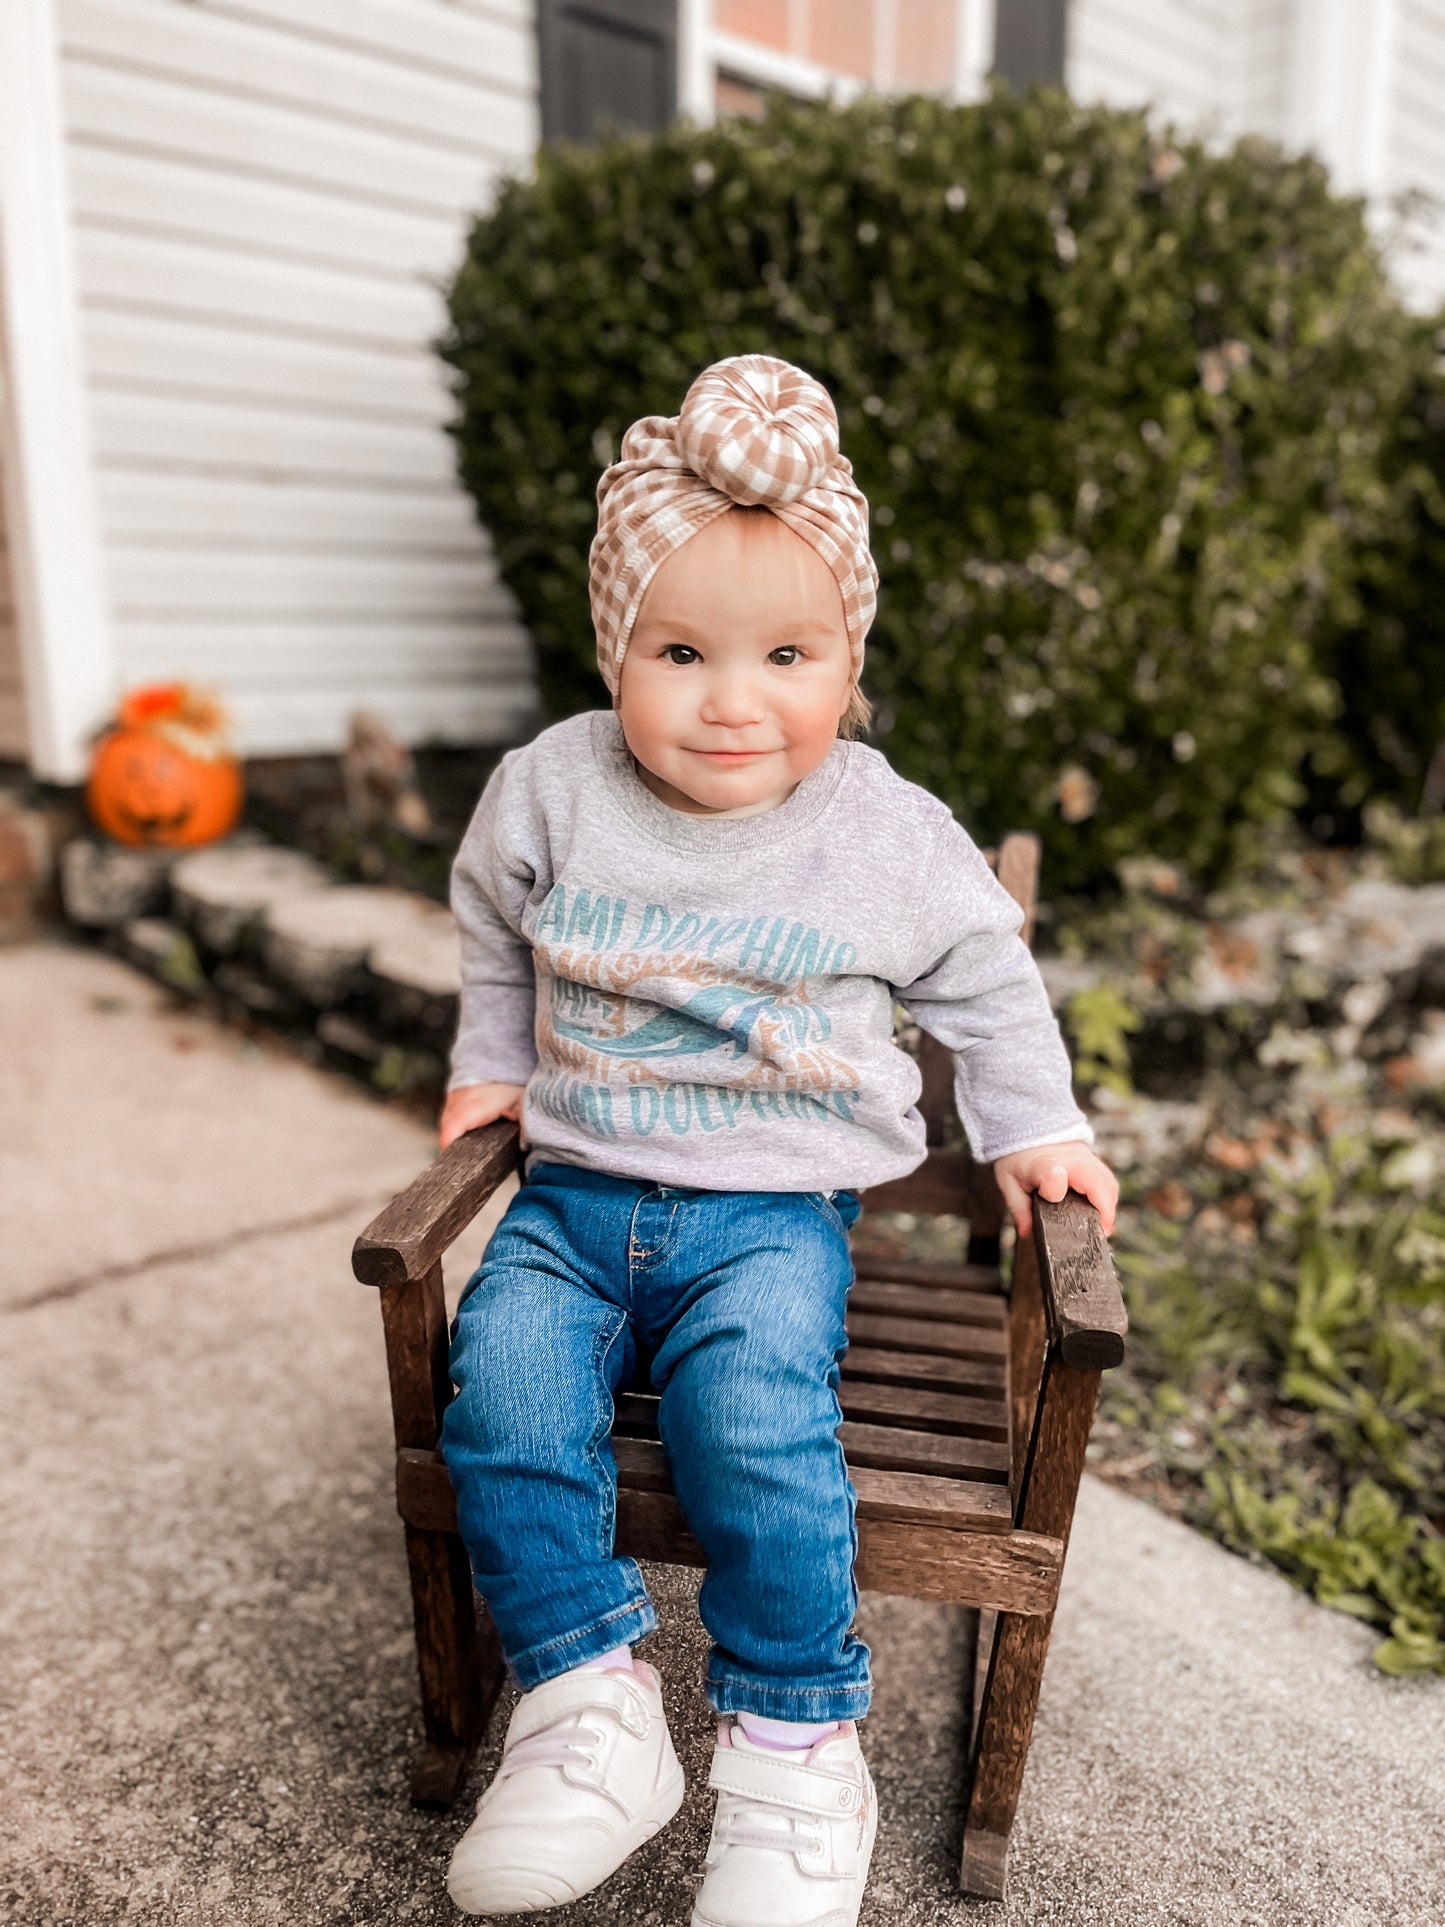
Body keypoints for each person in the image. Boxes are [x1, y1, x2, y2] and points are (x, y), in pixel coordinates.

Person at [436, 354, 1118, 1923]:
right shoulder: (553, 791)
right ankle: (588, 1707)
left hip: (767, 1217)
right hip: (574, 1196)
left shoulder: (883, 832)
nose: (731, 700)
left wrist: (1031, 1130)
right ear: (616, 648)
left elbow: (984, 976)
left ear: (846, 666)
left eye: (785, 656)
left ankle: (796, 1745)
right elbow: (488, 927)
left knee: (752, 1427)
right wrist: (489, 1065)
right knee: (507, 1389)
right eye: (679, 651)